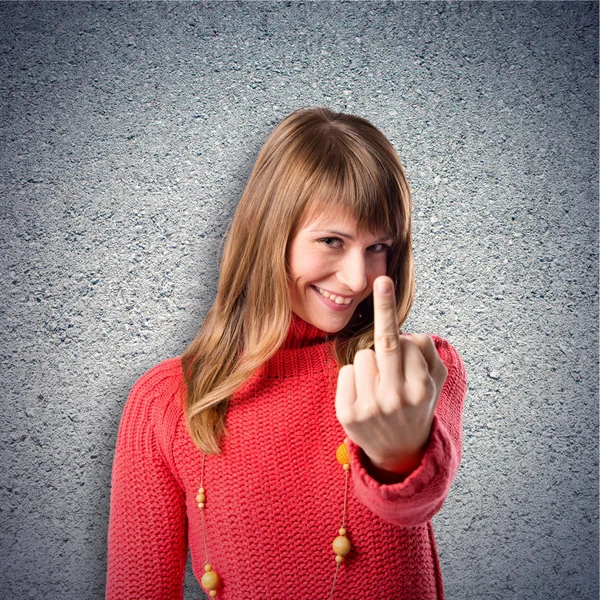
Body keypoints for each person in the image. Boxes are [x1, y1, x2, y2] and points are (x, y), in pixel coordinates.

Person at [105, 107, 467, 600]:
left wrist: (398, 457)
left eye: (378, 246)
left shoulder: (415, 369)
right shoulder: (165, 401)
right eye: (332, 241)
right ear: (268, 234)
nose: (358, 278)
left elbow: (415, 505)